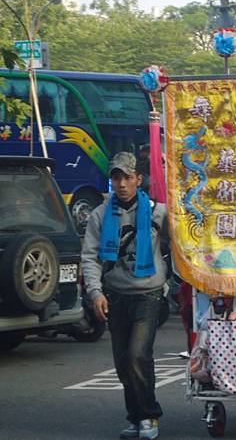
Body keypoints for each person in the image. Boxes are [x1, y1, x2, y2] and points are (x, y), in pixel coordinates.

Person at [82, 152, 169, 440]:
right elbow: (90, 257)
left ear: (138, 180)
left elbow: (181, 243)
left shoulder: (158, 212)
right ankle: (136, 417)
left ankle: (150, 416)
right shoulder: (99, 215)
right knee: (122, 362)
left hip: (149, 294)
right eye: (116, 178)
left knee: (137, 355)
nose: (121, 184)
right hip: (115, 294)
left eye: (127, 178)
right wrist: (95, 293)